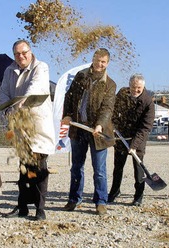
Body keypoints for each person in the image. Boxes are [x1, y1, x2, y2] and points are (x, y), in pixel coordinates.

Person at [0, 40, 56, 221]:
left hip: (37, 126)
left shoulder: (41, 67)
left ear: (30, 52)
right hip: (20, 126)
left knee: (39, 168)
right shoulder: (9, 70)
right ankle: (22, 206)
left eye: (24, 53)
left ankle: (40, 208)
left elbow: (36, 87)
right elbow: (3, 92)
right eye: (17, 54)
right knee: (24, 169)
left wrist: (22, 102)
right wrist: (8, 108)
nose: (21, 57)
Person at [61, 48, 116, 215]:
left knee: (99, 169)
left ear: (107, 63)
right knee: (77, 166)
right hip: (78, 129)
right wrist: (68, 115)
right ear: (93, 59)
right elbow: (69, 97)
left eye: (103, 62)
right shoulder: (81, 76)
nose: (99, 64)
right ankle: (74, 199)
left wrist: (99, 125)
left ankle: (100, 201)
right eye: (97, 60)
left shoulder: (109, 84)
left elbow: (107, 108)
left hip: (97, 132)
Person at [107, 73, 155, 206]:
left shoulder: (148, 102)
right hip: (121, 136)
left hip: (138, 139)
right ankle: (114, 191)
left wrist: (134, 145)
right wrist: (113, 125)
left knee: (138, 168)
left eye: (138, 88)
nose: (135, 90)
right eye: (133, 87)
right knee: (118, 167)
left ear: (143, 87)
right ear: (129, 85)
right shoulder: (122, 94)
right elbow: (114, 110)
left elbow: (145, 127)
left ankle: (138, 195)